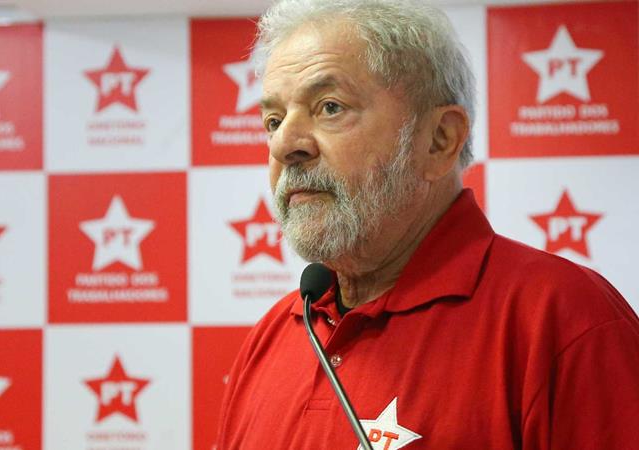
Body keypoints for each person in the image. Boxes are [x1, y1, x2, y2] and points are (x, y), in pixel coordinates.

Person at [215, 0, 639, 448]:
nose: (284, 144)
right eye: (274, 120)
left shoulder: (563, 320)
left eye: (330, 107)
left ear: (440, 139)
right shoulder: (270, 337)